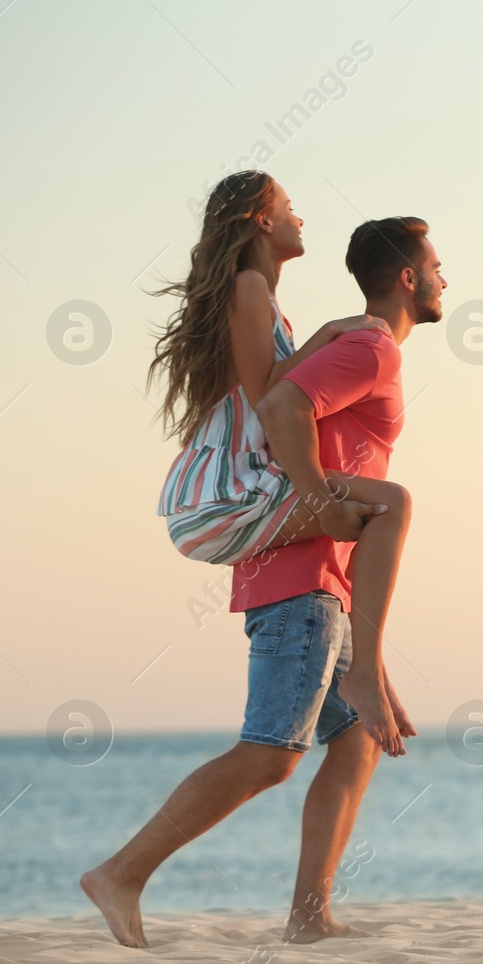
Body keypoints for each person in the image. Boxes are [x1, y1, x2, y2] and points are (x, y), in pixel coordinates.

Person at [82, 206, 445, 948]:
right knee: (273, 750)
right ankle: (121, 871)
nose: (444, 279)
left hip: (322, 578)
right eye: (437, 267)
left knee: (356, 742)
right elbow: (280, 403)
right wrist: (315, 502)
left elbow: (282, 392)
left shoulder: (356, 341)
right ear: (408, 278)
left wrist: (367, 653)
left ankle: (310, 916)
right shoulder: (375, 350)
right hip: (301, 576)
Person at [151, 171, 409, 743]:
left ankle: (367, 673)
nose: (300, 218)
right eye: (290, 208)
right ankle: (367, 672)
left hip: (229, 492)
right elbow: (268, 393)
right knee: (391, 502)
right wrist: (331, 334)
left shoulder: (261, 298)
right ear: (263, 221)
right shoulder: (248, 286)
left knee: (380, 508)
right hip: (222, 494)